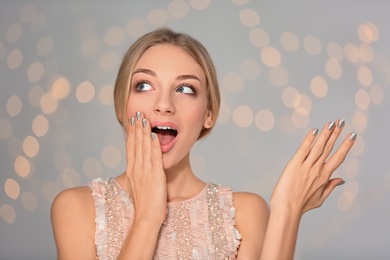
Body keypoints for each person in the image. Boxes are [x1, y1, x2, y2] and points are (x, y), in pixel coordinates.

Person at [51, 27, 356, 259]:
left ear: (208, 114)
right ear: (121, 105)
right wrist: (148, 214)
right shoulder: (78, 208)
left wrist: (286, 210)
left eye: (184, 89)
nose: (163, 104)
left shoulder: (244, 213)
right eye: (143, 85)